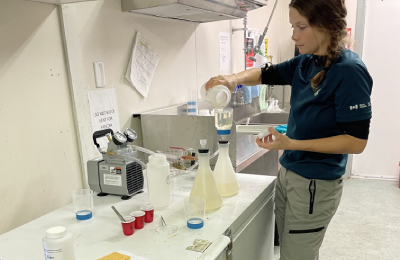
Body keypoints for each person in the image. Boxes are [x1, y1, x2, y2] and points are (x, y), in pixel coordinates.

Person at [205, 0, 373, 259]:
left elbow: (355, 142)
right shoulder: (306, 62)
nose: (294, 35)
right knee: (293, 252)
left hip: (315, 183)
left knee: (297, 255)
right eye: (293, 26)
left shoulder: (348, 71)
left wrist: (292, 143)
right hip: (289, 174)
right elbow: (266, 73)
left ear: (326, 25)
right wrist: (232, 79)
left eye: (301, 26)